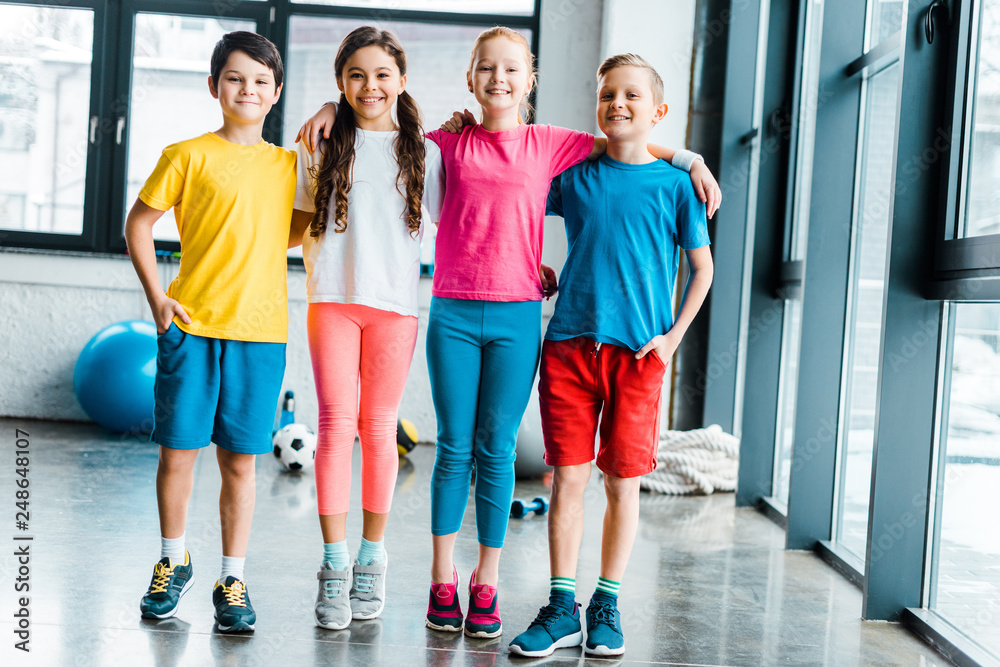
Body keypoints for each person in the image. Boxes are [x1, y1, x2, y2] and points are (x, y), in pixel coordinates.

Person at [297, 27, 720, 640]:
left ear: (530, 81)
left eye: (512, 69)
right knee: (454, 451)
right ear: (470, 78)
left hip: (520, 316)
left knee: (496, 452)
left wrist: (691, 158)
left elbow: (629, 142)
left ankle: (486, 584)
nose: (498, 78)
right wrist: (331, 106)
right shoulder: (442, 143)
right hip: (453, 313)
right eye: (486, 68)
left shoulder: (554, 144)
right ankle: (443, 580)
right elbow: (381, 125)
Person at [507, 53, 714, 658]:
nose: (617, 105)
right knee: (567, 479)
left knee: (622, 483)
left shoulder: (678, 186)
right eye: (606, 96)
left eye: (631, 95)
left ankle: (606, 602)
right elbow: (513, 201)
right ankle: (561, 605)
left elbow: (701, 271)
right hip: (570, 348)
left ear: (659, 112)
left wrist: (671, 340)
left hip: (638, 358)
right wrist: (532, 268)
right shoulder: (574, 177)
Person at [125, 31, 295, 634]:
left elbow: (291, 232)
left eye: (259, 80)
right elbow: (138, 223)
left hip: (260, 335)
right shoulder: (186, 155)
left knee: (241, 464)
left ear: (276, 92)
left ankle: (233, 577)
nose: (247, 89)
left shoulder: (289, 165)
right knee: (178, 454)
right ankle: (174, 561)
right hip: (191, 327)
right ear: (214, 86)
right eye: (235, 78)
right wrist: (158, 299)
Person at [287, 26, 444, 631]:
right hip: (332, 301)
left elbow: (461, 224)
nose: (369, 85)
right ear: (339, 83)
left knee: (378, 430)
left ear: (402, 80)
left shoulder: (426, 153)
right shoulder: (320, 143)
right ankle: (334, 563)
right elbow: (295, 224)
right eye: (356, 75)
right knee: (335, 428)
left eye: (382, 74)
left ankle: (372, 559)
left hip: (395, 309)